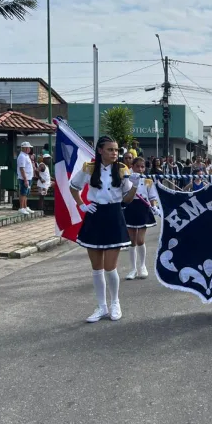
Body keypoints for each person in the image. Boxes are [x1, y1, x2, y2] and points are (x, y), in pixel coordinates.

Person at [69, 136, 138, 323]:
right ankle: (101, 306)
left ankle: (115, 302)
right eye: (110, 150)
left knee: (110, 267)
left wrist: (136, 185)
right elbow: (73, 187)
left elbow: (127, 199)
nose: (114, 153)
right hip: (95, 214)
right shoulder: (89, 168)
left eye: (116, 150)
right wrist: (82, 205)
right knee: (96, 268)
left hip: (114, 215)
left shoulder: (122, 170)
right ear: (100, 151)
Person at [123, 157, 162, 280]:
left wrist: (154, 207)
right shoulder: (126, 178)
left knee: (140, 240)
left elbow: (152, 196)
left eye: (142, 167)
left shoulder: (147, 180)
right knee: (132, 241)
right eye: (137, 166)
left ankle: (143, 266)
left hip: (143, 208)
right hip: (130, 207)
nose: (140, 169)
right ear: (132, 166)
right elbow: (123, 194)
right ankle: (133, 269)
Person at [17, 141, 34, 216]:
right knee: (23, 193)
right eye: (28, 147)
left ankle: (25, 206)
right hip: (24, 178)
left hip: (29, 177)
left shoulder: (26, 155)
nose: (29, 149)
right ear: (24, 148)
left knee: (26, 193)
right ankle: (21, 207)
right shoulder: (22, 156)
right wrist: (25, 179)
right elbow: (22, 168)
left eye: (29, 148)